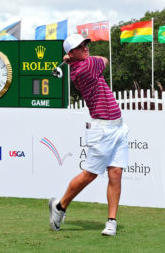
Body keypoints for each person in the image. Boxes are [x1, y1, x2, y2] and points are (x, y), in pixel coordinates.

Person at [49, 33, 129, 236]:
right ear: (71, 53)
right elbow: (105, 60)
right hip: (102, 129)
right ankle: (60, 206)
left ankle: (111, 221)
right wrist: (72, 60)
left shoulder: (78, 64)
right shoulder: (85, 67)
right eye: (80, 46)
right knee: (90, 174)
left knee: (116, 173)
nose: (86, 47)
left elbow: (93, 59)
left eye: (85, 44)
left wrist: (70, 59)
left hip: (118, 127)